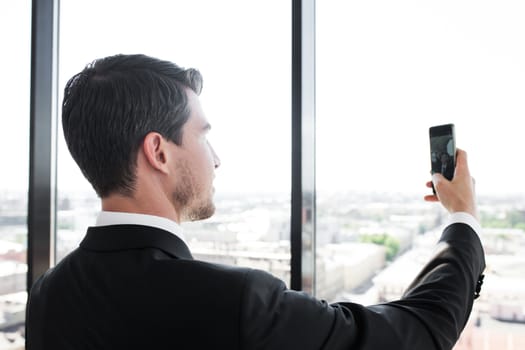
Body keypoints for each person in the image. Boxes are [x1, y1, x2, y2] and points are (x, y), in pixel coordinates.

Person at [26, 54, 485, 350]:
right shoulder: (237, 301)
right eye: (203, 137)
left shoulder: (49, 296)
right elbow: (418, 334)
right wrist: (463, 217)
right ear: (159, 152)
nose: (217, 159)